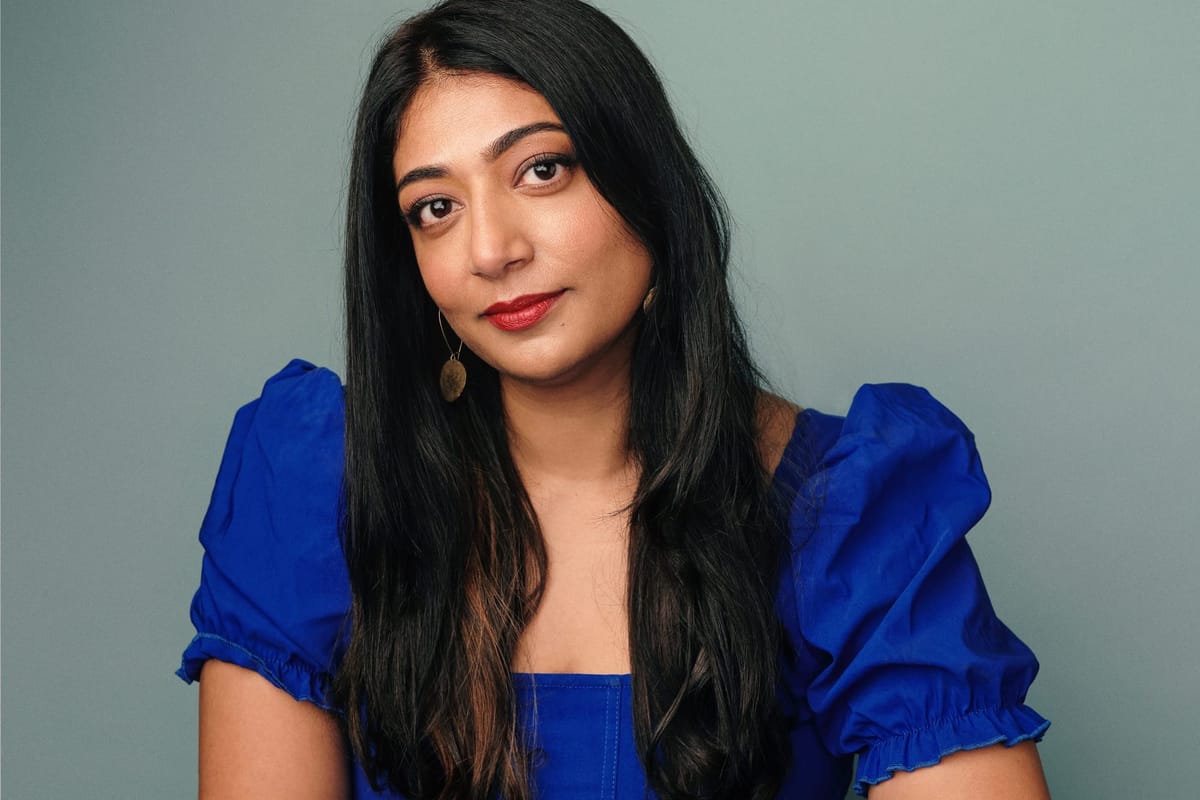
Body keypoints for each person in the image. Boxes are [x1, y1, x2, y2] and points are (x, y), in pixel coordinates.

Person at [177, 0, 1051, 797]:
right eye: (435, 207)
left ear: (648, 186)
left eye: (542, 169)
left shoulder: (849, 510)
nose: (490, 248)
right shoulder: (313, 490)